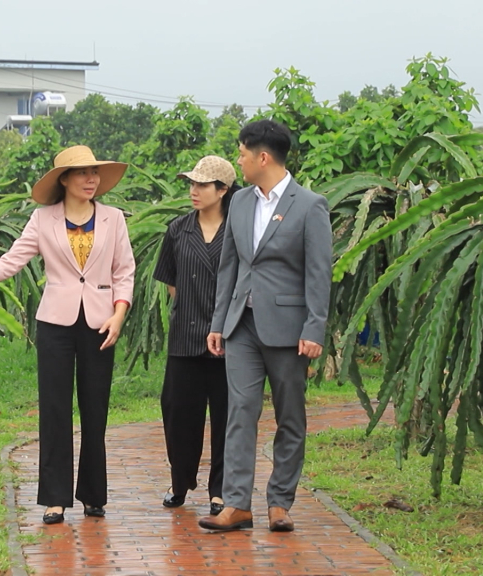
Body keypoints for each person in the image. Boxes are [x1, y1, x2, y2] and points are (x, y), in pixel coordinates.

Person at [0, 145, 136, 525]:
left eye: (95, 172)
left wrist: (119, 315)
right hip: (55, 323)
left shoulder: (113, 218)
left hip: (101, 323)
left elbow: (124, 272)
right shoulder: (43, 220)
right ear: (64, 180)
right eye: (82, 173)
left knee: (95, 410)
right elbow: (8, 264)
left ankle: (93, 495)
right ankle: (55, 499)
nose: (91, 179)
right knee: (54, 410)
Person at [199, 120, 332, 533]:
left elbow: (319, 273)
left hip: (290, 330)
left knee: (290, 416)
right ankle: (237, 504)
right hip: (242, 326)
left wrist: (315, 327)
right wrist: (219, 320)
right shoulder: (238, 203)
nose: (237, 160)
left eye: (240, 153)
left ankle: (280, 503)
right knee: (240, 412)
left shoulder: (310, 205)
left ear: (263, 156)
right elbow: (230, 266)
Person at [152, 156, 239, 516]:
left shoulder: (239, 229)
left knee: (226, 416)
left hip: (230, 340)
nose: (193, 191)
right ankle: (180, 480)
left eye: (202, 185)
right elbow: (171, 283)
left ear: (223, 190)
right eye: (191, 184)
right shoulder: (178, 229)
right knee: (178, 414)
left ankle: (219, 490)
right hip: (185, 337)